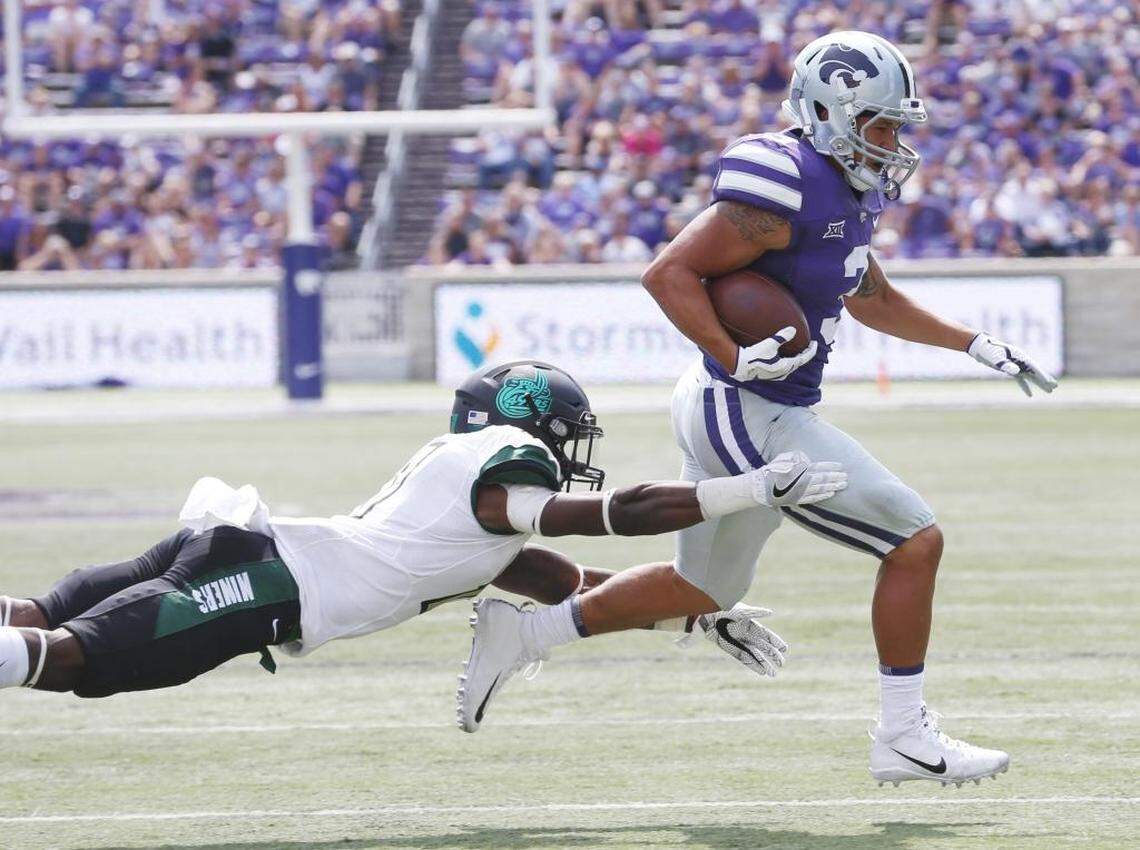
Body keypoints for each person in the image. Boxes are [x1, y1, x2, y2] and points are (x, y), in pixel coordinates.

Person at [465, 32, 1056, 787]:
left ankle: (524, 635)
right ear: (829, 113)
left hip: (739, 403)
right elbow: (668, 272)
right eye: (880, 125)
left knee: (704, 590)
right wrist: (733, 353)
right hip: (746, 406)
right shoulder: (785, 184)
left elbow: (869, 294)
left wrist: (972, 343)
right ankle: (904, 736)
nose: (893, 142)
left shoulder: (846, 187)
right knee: (914, 541)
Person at [0, 361, 845, 715]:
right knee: (74, 659)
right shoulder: (503, 472)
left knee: (37, 615)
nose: (571, 453)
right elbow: (617, 513)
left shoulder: (473, 512)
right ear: (527, 426)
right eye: (565, 433)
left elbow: (570, 583)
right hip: (264, 583)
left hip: (244, 551)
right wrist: (745, 490)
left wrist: (696, 611)